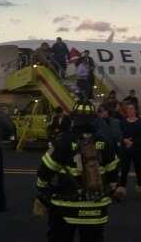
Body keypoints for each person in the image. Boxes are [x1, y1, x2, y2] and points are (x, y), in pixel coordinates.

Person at [36, 101, 120, 242]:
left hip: (65, 208)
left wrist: (41, 188)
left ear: (73, 117)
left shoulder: (63, 140)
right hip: (96, 209)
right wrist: (111, 188)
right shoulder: (105, 141)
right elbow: (113, 172)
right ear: (94, 118)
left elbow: (46, 168)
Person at [116, 102, 141, 199]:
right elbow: (119, 134)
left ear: (135, 110)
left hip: (137, 149)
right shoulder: (123, 121)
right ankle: (121, 190)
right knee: (124, 170)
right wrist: (124, 140)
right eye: (128, 109)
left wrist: (132, 142)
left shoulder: (140, 122)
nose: (129, 111)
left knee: (138, 169)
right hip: (125, 149)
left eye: (131, 109)